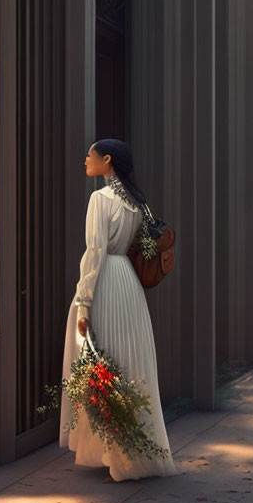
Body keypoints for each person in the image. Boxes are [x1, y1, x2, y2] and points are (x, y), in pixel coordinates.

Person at [58, 138, 180, 482]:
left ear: (107, 160)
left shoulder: (100, 199)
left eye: (90, 155)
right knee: (129, 363)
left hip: (107, 282)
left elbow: (95, 251)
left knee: (103, 361)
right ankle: (134, 452)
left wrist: (83, 301)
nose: (85, 160)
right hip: (129, 285)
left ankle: (116, 454)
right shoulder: (137, 203)